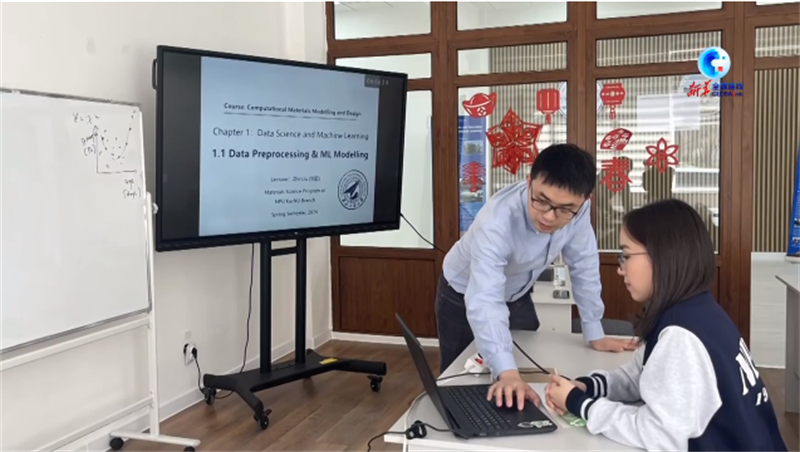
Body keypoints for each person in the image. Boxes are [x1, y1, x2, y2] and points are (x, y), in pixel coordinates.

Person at [545, 199, 788, 452]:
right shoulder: (695, 310)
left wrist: (579, 404)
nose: (620, 269)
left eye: (626, 255)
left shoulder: (680, 334)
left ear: (662, 256)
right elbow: (641, 374)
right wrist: (588, 387)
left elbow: (659, 434)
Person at [436, 143, 636, 410]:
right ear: (529, 181)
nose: (550, 217)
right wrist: (507, 373)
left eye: (565, 209)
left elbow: (584, 264)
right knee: (461, 380)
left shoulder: (578, 211)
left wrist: (594, 330)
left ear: (584, 200)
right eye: (541, 200)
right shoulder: (496, 221)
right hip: (462, 293)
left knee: (529, 364)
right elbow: (484, 298)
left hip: (518, 292)